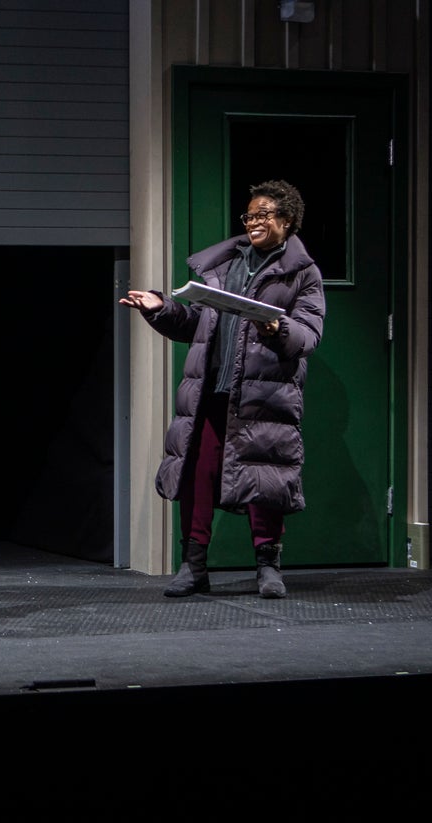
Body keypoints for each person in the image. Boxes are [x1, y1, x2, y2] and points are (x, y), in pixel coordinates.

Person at [119, 180, 325, 599]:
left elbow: (309, 332)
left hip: (263, 394)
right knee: (196, 474)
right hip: (211, 390)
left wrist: (278, 328)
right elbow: (198, 324)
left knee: (263, 478)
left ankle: (268, 567)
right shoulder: (226, 265)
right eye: (249, 215)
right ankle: (193, 567)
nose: (254, 222)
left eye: (264, 214)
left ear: (287, 220)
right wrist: (163, 309)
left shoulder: (303, 273)